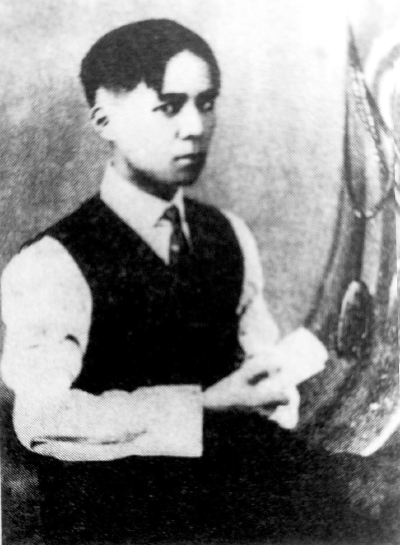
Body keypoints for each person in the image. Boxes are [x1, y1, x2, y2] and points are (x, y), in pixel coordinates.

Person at [0, 18, 380, 544]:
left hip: (234, 502)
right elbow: (41, 420)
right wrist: (201, 407)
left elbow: (261, 376)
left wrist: (273, 393)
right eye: (169, 106)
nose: (195, 126)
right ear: (104, 118)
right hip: (119, 520)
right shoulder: (53, 262)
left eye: (206, 103)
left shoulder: (229, 235)